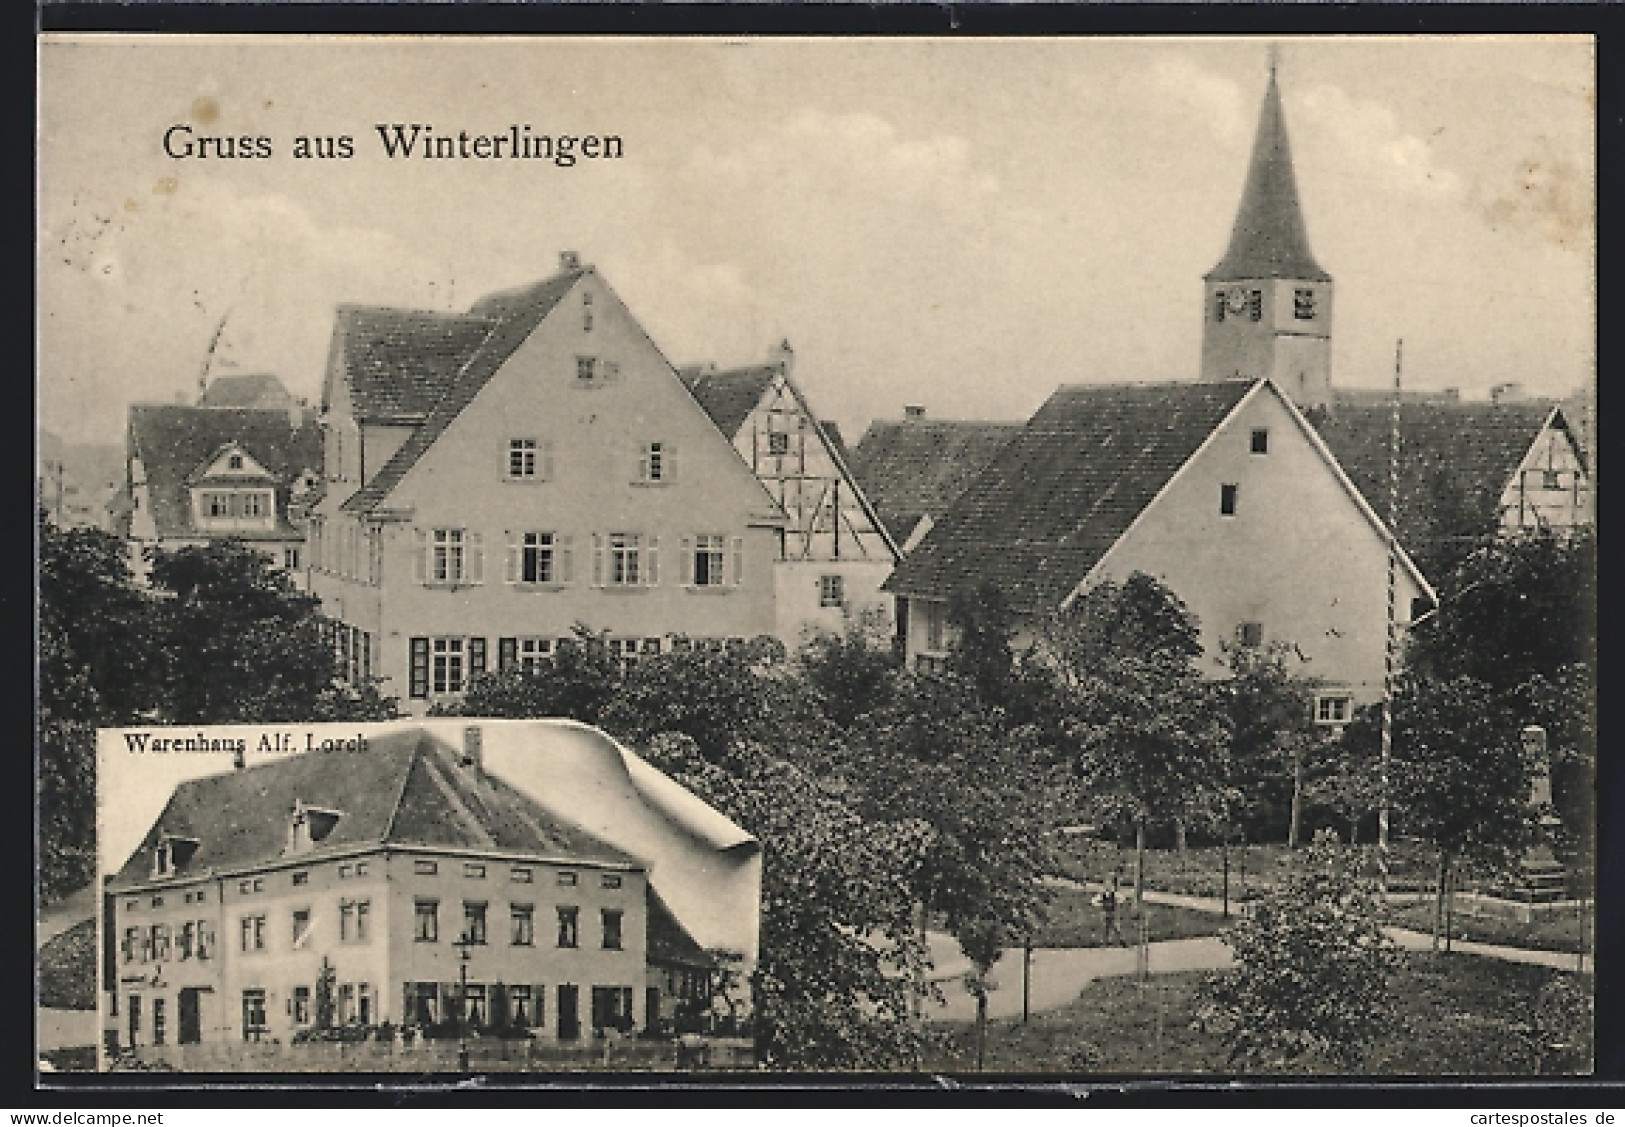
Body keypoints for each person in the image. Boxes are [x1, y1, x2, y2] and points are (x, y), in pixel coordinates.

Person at [1101, 877, 1126, 946]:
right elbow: (1094, 901)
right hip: (1106, 912)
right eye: (1106, 885)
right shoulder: (1103, 895)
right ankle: (1105, 942)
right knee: (1106, 927)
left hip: (1112, 912)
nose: (1108, 887)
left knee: (1115, 926)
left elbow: (1122, 898)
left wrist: (1117, 902)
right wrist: (1100, 903)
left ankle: (1121, 940)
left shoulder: (1114, 894)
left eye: (1109, 885)